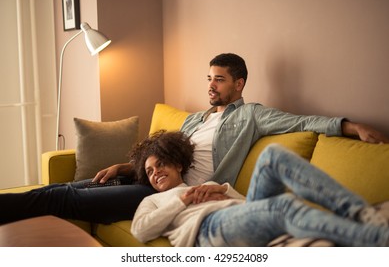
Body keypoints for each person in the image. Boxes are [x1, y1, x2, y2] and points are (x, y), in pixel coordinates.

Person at [1, 53, 388, 224]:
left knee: (62, 198)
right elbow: (161, 151)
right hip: (150, 177)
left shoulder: (251, 115)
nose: (211, 85)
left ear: (239, 84)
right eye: (209, 78)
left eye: (219, 79)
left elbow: (302, 120)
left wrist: (350, 127)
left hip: (171, 192)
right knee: (67, 187)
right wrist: (126, 165)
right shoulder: (195, 119)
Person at [130, 131, 389, 247]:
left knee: (274, 155)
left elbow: (251, 208)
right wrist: (183, 201)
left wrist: (222, 191)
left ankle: (361, 214)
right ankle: (376, 240)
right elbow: (140, 231)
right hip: (207, 231)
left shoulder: (206, 184)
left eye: (160, 165)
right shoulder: (153, 201)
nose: (156, 174)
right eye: (150, 172)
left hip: (238, 218)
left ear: (177, 163)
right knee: (282, 207)